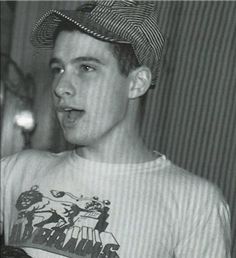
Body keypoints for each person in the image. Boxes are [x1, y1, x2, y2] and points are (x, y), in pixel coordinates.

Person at [0, 1, 231, 258]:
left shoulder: (195, 204)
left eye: (86, 68)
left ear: (136, 84)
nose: (60, 86)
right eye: (58, 69)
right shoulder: (15, 172)